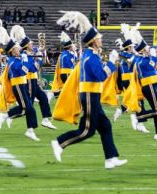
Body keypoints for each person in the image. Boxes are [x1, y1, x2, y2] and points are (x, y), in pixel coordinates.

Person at [50, 12, 126, 169]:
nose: (101, 39)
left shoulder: (90, 55)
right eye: (99, 38)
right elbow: (100, 76)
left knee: (105, 126)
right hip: (90, 96)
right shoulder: (91, 57)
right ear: (93, 41)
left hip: (92, 95)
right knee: (87, 131)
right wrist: (111, 63)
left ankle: (110, 159)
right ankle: (59, 143)